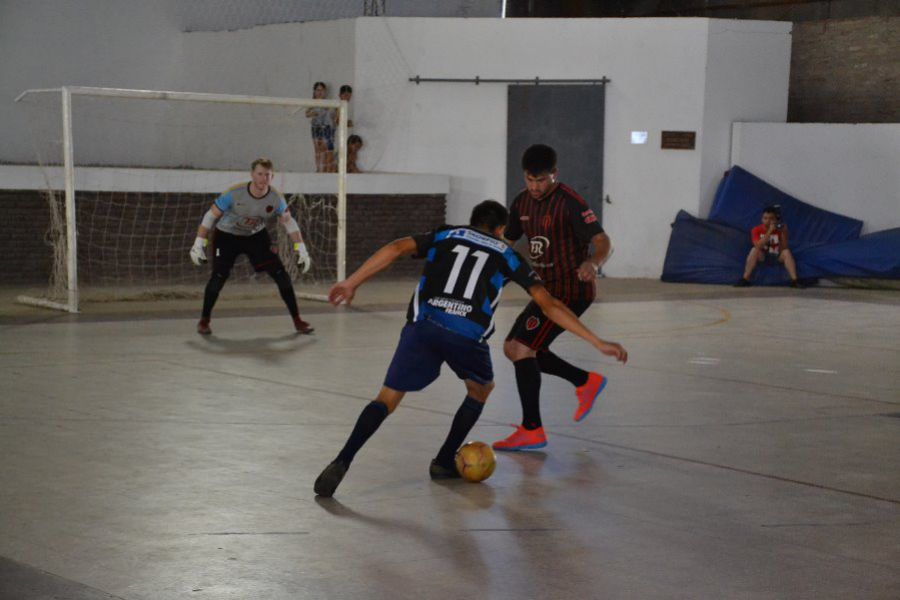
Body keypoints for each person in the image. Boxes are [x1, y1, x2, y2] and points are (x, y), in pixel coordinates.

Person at [313, 200, 627, 497]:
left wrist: (352, 282)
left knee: (387, 399)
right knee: (480, 388)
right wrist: (596, 341)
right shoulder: (508, 253)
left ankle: (342, 459)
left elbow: (396, 248)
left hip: (423, 326)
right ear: (502, 230)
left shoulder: (445, 233)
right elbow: (549, 305)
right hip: (466, 335)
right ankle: (444, 460)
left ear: (473, 222)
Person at [493, 144, 614, 452]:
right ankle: (584, 382)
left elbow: (601, 240)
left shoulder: (569, 202)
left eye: (541, 180)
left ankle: (532, 429)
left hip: (572, 291)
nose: (535, 187)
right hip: (546, 291)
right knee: (515, 347)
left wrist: (594, 262)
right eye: (530, 180)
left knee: (521, 348)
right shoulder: (521, 202)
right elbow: (506, 243)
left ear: (554, 175)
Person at [189, 158, 314, 335]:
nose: (263, 179)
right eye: (260, 174)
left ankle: (298, 321)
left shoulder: (275, 198)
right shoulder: (234, 194)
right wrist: (198, 243)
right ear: (252, 175)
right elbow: (210, 216)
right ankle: (204, 320)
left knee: (280, 273)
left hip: (255, 236)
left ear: (272, 176)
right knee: (218, 276)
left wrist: (301, 249)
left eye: (267, 175)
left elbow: (289, 222)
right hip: (226, 237)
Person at [735, 205, 800, 287]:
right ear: (762, 219)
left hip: (776, 255)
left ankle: (795, 280)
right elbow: (758, 245)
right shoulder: (756, 229)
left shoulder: (779, 229)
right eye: (765, 218)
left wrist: (784, 233)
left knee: (786, 252)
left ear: (775, 220)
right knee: (754, 250)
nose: (768, 221)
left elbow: (784, 247)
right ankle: (745, 279)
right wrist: (769, 231)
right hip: (763, 256)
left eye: (771, 218)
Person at [305, 82, 335, 172]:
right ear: (314, 91)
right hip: (316, 128)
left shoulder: (329, 103)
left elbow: (333, 116)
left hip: (327, 128)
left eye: (322, 90)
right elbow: (307, 114)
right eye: (318, 90)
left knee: (328, 150)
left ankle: (327, 169)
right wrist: (313, 113)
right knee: (318, 150)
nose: (320, 92)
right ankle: (319, 169)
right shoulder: (312, 103)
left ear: (325, 91)